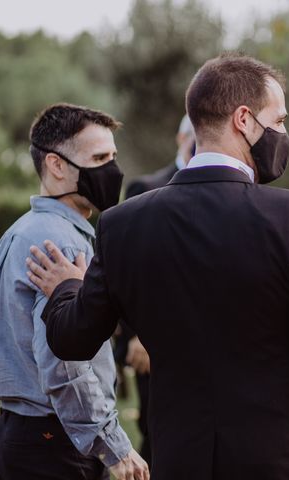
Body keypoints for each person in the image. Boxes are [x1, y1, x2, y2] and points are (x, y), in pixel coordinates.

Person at [27, 54, 289, 479]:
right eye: (278, 120)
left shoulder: (122, 224)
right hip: (285, 462)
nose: (283, 132)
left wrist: (65, 288)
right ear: (244, 120)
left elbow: (73, 340)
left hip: (179, 461)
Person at [0, 103, 148, 480]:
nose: (112, 170)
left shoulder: (18, 232)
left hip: (20, 432)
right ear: (56, 166)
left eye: (113, 157)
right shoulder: (61, 245)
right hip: (56, 442)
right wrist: (113, 446)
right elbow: (64, 363)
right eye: (99, 158)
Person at [115, 114, 196, 464]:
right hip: (151, 344)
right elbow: (127, 271)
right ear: (181, 137)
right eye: (194, 133)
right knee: (158, 432)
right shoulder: (145, 188)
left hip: (200, 339)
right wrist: (138, 336)